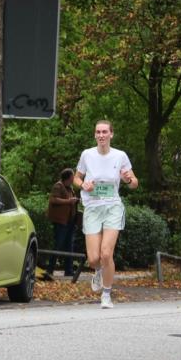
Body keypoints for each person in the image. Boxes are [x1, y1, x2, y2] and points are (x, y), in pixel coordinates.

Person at [74, 120, 138, 309]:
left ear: (111, 134)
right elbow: (77, 178)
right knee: (94, 258)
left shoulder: (120, 156)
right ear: (95, 135)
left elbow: (134, 182)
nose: (101, 135)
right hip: (92, 207)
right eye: (98, 132)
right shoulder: (87, 154)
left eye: (104, 132)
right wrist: (83, 184)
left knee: (106, 253)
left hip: (112, 207)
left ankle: (107, 295)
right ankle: (99, 271)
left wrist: (129, 179)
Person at [46, 168, 80, 277]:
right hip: (61, 221)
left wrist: (75, 201)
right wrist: (69, 201)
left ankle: (68, 270)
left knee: (69, 245)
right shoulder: (58, 186)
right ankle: (50, 270)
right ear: (68, 177)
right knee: (58, 244)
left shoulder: (70, 188)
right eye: (72, 176)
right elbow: (53, 200)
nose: (73, 178)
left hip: (70, 221)